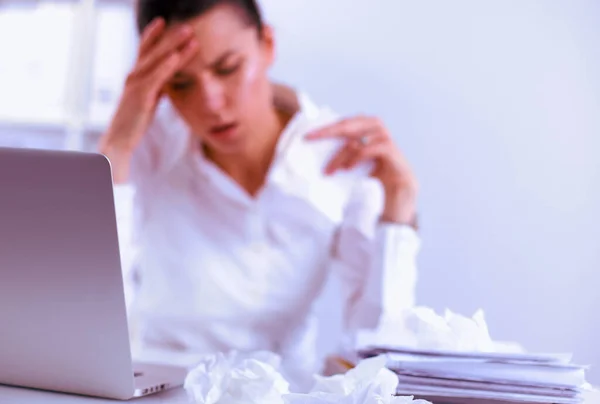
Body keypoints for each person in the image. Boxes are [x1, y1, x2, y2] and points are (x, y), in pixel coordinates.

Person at [99, 0, 420, 389]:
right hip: (160, 385)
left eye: (228, 68)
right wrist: (114, 149)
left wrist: (399, 206)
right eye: (181, 83)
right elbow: (86, 311)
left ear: (267, 44)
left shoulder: (339, 154)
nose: (211, 103)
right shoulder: (144, 147)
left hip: (284, 389)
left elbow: (378, 352)